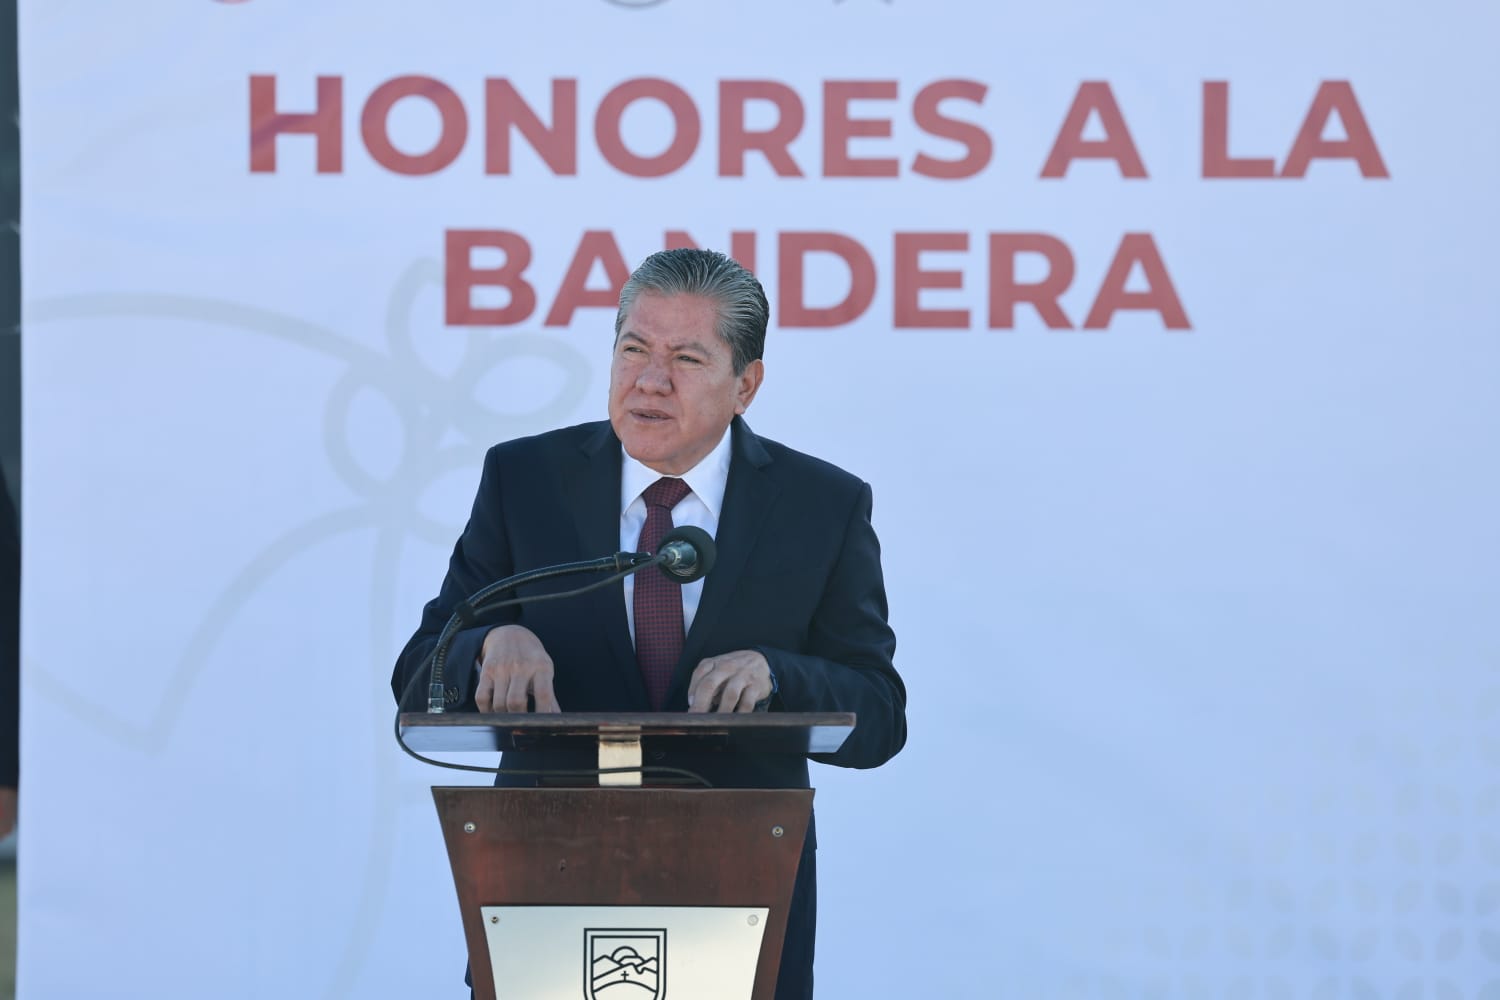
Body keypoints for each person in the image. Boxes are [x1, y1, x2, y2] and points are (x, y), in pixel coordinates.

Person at [392, 247, 906, 999]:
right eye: (633, 349)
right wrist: (484, 646)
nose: (650, 380)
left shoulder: (820, 505)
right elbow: (417, 674)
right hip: (544, 891)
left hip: (740, 901)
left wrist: (778, 675)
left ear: (746, 385)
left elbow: (881, 717)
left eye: (686, 359)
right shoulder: (527, 479)